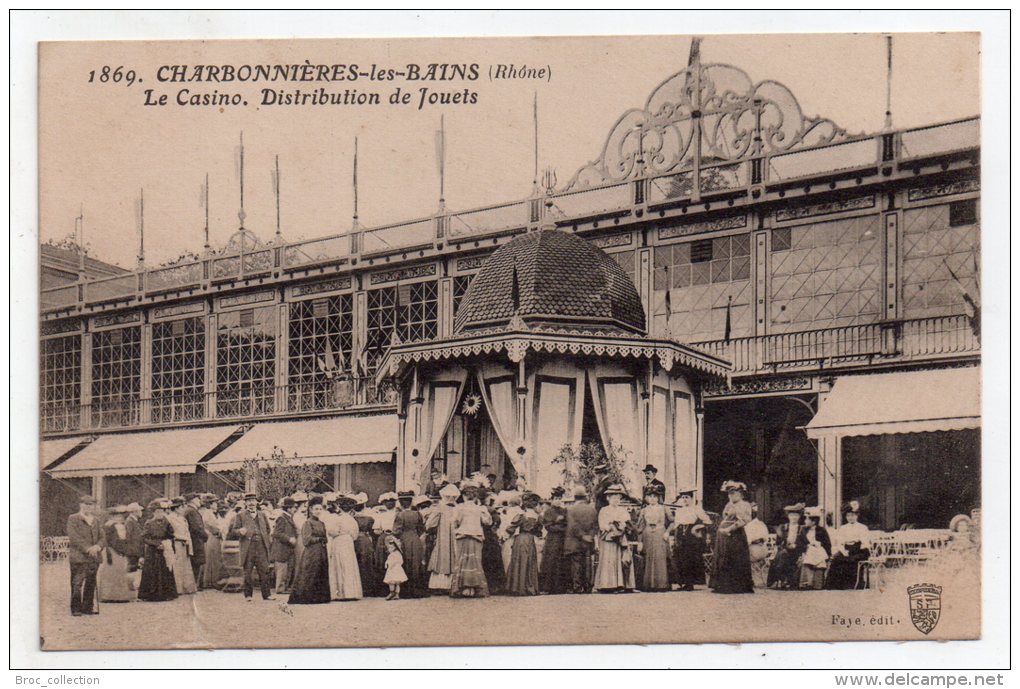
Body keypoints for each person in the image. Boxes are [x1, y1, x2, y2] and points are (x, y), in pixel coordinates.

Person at [228, 493, 275, 602]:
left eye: (253, 501)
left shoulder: (262, 514)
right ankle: (248, 595)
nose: (251, 503)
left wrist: (264, 538)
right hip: (248, 546)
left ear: (256, 502)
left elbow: (267, 529)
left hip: (261, 546)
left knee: (264, 570)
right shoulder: (240, 515)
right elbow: (233, 531)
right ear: (245, 503)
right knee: (247, 571)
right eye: (248, 501)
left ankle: (267, 594)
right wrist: (240, 531)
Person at [711, 481, 755, 594]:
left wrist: (729, 529)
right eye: (729, 494)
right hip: (723, 536)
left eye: (734, 493)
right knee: (722, 556)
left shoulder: (744, 505)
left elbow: (743, 520)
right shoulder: (729, 504)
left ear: (740, 494)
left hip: (736, 535)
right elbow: (725, 518)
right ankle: (722, 584)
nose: (731, 496)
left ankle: (736, 586)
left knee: (734, 557)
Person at [450, 484, 492, 598]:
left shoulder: (458, 508)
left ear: (463, 496)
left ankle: (462, 588)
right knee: (475, 561)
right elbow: (488, 522)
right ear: (475, 497)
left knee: (462, 560)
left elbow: (454, 522)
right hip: (476, 536)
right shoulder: (480, 508)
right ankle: (475, 588)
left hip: (462, 535)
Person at [288, 496, 331, 604]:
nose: (318, 511)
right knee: (310, 572)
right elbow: (306, 540)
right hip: (312, 552)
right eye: (316, 509)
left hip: (321, 551)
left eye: (320, 509)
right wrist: (319, 539)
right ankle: (306, 597)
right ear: (311, 509)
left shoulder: (322, 523)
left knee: (320, 571)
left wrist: (324, 540)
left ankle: (319, 597)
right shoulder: (308, 523)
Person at [66, 494, 104, 616]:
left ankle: (88, 607)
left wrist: (98, 546)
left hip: (94, 557)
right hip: (79, 557)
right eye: (86, 504)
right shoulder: (73, 518)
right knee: (77, 583)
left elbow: (102, 537)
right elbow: (74, 537)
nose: (89, 507)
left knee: (91, 582)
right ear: (81, 505)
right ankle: (76, 608)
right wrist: (88, 549)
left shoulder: (96, 520)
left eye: (91, 505)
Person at [594, 485, 634, 592]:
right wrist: (610, 527)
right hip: (609, 537)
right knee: (609, 559)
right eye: (613, 498)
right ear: (608, 499)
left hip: (620, 537)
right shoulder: (604, 510)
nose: (616, 500)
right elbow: (601, 524)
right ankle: (608, 584)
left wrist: (622, 526)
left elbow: (627, 523)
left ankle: (622, 584)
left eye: (617, 498)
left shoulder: (623, 510)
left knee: (622, 558)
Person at [670, 488, 711, 591]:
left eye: (687, 497)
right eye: (683, 497)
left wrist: (697, 528)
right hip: (680, 534)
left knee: (690, 559)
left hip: (691, 536)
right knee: (680, 558)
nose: (685, 499)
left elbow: (708, 521)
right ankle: (682, 583)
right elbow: (676, 524)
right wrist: (675, 538)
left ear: (692, 498)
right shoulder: (679, 510)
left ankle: (690, 583)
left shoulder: (697, 509)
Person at [137, 499, 178, 602]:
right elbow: (144, 537)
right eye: (158, 512)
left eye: (162, 511)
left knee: (165, 570)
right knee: (153, 571)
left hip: (164, 550)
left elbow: (171, 535)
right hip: (152, 551)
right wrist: (156, 544)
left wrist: (167, 543)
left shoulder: (166, 522)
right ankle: (151, 594)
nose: (160, 514)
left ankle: (166, 593)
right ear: (154, 513)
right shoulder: (149, 523)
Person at [827, 501, 871, 590]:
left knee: (852, 559)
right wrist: (843, 551)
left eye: (853, 515)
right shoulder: (843, 528)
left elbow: (865, 543)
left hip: (859, 549)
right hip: (846, 548)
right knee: (837, 558)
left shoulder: (863, 527)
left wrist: (855, 546)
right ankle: (837, 585)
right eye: (848, 516)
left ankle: (854, 583)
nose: (850, 518)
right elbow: (840, 542)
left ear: (857, 516)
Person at [505, 492, 542, 595]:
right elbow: (539, 532)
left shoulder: (521, 515)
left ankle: (517, 587)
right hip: (530, 540)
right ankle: (529, 586)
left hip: (521, 539)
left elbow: (511, 528)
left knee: (519, 561)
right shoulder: (537, 517)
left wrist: (507, 535)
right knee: (529, 561)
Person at [392, 492, 428, 598]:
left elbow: (396, 531)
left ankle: (406, 591)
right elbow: (422, 529)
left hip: (405, 540)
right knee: (416, 563)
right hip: (415, 539)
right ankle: (417, 590)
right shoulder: (417, 514)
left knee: (406, 562)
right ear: (410, 503)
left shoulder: (399, 515)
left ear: (401, 504)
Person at [426, 483, 460, 592]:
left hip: (443, 537)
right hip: (456, 536)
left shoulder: (440, 508)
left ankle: (441, 585)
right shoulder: (458, 508)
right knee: (455, 554)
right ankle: (454, 584)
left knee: (443, 555)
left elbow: (430, 523)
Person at [637, 486, 673, 592]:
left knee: (660, 557)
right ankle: (648, 585)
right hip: (647, 534)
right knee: (648, 557)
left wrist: (667, 532)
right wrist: (639, 542)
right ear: (647, 498)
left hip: (660, 534)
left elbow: (672, 522)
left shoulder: (664, 508)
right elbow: (640, 527)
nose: (652, 498)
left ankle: (661, 584)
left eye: (655, 496)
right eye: (650, 496)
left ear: (658, 498)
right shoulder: (644, 510)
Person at [328, 496, 363, 601]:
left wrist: (336, 534)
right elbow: (355, 535)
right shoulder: (353, 521)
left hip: (339, 542)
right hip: (348, 542)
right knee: (348, 564)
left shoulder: (337, 519)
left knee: (339, 564)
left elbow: (332, 532)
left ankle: (340, 592)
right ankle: (350, 592)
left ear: (340, 507)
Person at [564, 485, 597, 593]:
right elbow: (595, 526)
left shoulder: (570, 510)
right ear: (585, 497)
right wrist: (590, 536)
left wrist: (582, 535)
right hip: (588, 542)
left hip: (575, 542)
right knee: (588, 563)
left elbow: (572, 526)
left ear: (575, 497)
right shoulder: (592, 509)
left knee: (576, 564)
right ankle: (588, 586)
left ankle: (577, 587)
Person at [98, 505, 135, 602]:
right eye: (117, 515)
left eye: (121, 515)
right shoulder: (108, 526)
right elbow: (110, 540)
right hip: (112, 551)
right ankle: (109, 596)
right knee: (111, 573)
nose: (119, 517)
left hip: (120, 551)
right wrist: (120, 549)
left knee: (119, 572)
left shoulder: (120, 526)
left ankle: (119, 596)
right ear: (112, 516)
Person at [767, 503, 806, 590]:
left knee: (785, 556)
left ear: (799, 517)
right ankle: (781, 579)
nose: (794, 518)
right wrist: (785, 544)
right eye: (792, 515)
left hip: (797, 551)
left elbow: (805, 543)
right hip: (784, 550)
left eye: (796, 515)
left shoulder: (801, 528)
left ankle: (785, 580)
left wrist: (796, 545)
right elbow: (778, 541)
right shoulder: (784, 527)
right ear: (788, 517)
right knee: (782, 555)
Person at [539, 486, 569, 594]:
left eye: (560, 498)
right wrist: (558, 525)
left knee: (561, 561)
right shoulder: (548, 512)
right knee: (550, 561)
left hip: (561, 539)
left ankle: (560, 587)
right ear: (552, 499)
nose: (558, 501)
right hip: (552, 539)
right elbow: (548, 526)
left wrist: (558, 525)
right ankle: (548, 587)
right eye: (556, 498)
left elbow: (567, 525)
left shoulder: (564, 511)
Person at [353, 493, 383, 597]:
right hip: (365, 540)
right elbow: (374, 531)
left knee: (357, 562)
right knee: (367, 563)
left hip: (355, 540)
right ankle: (368, 587)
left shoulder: (353, 517)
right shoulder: (370, 517)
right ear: (364, 505)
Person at [167, 498, 197, 595]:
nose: (183, 509)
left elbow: (187, 532)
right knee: (177, 565)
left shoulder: (182, 518)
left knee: (186, 565)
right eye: (181, 507)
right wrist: (180, 537)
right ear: (176, 508)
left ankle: (187, 587)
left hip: (185, 544)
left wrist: (188, 542)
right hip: (176, 543)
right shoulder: (170, 518)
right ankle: (178, 588)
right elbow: (170, 532)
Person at [799, 507, 832, 590]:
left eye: (807, 519)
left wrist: (827, 553)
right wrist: (805, 548)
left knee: (815, 556)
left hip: (820, 552)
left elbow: (827, 544)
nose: (805, 521)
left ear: (813, 521)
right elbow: (800, 542)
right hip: (807, 551)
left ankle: (816, 583)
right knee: (809, 553)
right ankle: (807, 582)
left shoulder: (821, 530)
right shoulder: (803, 530)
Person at [372, 492, 399, 592]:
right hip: (383, 538)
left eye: (392, 501)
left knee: (396, 561)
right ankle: (383, 587)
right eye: (387, 502)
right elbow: (376, 530)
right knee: (382, 561)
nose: (389, 504)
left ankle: (396, 586)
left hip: (396, 537)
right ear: (383, 503)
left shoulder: (398, 514)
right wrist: (383, 532)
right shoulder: (380, 515)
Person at [480, 492, 506, 594]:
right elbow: (497, 521)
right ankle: (496, 586)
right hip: (490, 536)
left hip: (482, 536)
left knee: (485, 560)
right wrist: (494, 529)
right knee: (493, 560)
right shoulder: (491, 510)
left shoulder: (479, 508)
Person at [271, 497, 298, 594]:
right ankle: (280, 588)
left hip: (288, 548)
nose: (295, 509)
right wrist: (289, 539)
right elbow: (276, 533)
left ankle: (285, 587)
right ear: (289, 508)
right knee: (282, 569)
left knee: (288, 569)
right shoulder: (282, 518)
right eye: (294, 507)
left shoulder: (288, 518)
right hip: (282, 549)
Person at [182, 493, 208, 587]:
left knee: (194, 563)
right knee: (195, 563)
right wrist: (205, 536)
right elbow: (197, 527)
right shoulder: (192, 511)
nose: (199, 501)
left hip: (193, 540)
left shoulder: (189, 510)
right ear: (193, 500)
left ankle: (193, 585)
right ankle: (193, 585)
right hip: (196, 541)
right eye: (198, 499)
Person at [199, 496, 224, 590]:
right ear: (210, 504)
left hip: (216, 537)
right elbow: (207, 525)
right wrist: (217, 531)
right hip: (211, 537)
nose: (216, 505)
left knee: (215, 558)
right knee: (211, 558)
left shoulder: (214, 514)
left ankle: (214, 580)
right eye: (214, 503)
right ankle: (209, 581)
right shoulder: (207, 513)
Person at [383, 536, 408, 600]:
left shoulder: (396, 554)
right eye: (389, 548)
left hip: (395, 569)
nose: (389, 549)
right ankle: (393, 593)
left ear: (395, 548)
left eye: (391, 548)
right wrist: (386, 563)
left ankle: (395, 594)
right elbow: (388, 560)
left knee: (395, 582)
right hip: (393, 569)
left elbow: (400, 561)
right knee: (392, 582)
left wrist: (393, 564)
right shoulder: (392, 554)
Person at [123, 502, 144, 577]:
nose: (141, 512)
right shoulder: (130, 521)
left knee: (134, 568)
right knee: (131, 568)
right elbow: (128, 536)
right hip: (132, 550)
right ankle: (129, 586)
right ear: (135, 512)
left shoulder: (134, 521)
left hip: (136, 549)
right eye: (139, 511)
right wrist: (130, 550)